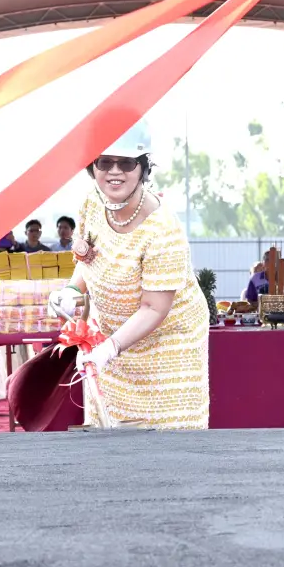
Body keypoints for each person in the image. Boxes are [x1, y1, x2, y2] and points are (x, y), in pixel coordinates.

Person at [49, 120, 209, 429]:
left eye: (126, 162)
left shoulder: (163, 229)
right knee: (110, 441)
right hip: (109, 337)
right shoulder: (91, 203)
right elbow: (88, 257)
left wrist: (110, 348)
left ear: (144, 168)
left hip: (168, 344)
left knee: (169, 440)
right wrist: (71, 289)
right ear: (92, 167)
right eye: (104, 162)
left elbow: (154, 308)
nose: (114, 171)